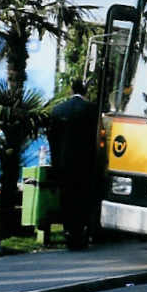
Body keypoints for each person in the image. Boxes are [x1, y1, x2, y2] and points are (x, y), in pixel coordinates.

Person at [47, 79, 100, 250]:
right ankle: (81, 232)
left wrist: (56, 162)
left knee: (67, 198)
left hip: (63, 164)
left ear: (71, 90)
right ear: (85, 91)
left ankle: (68, 231)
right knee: (83, 198)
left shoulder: (58, 110)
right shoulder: (92, 110)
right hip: (85, 164)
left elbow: (52, 139)